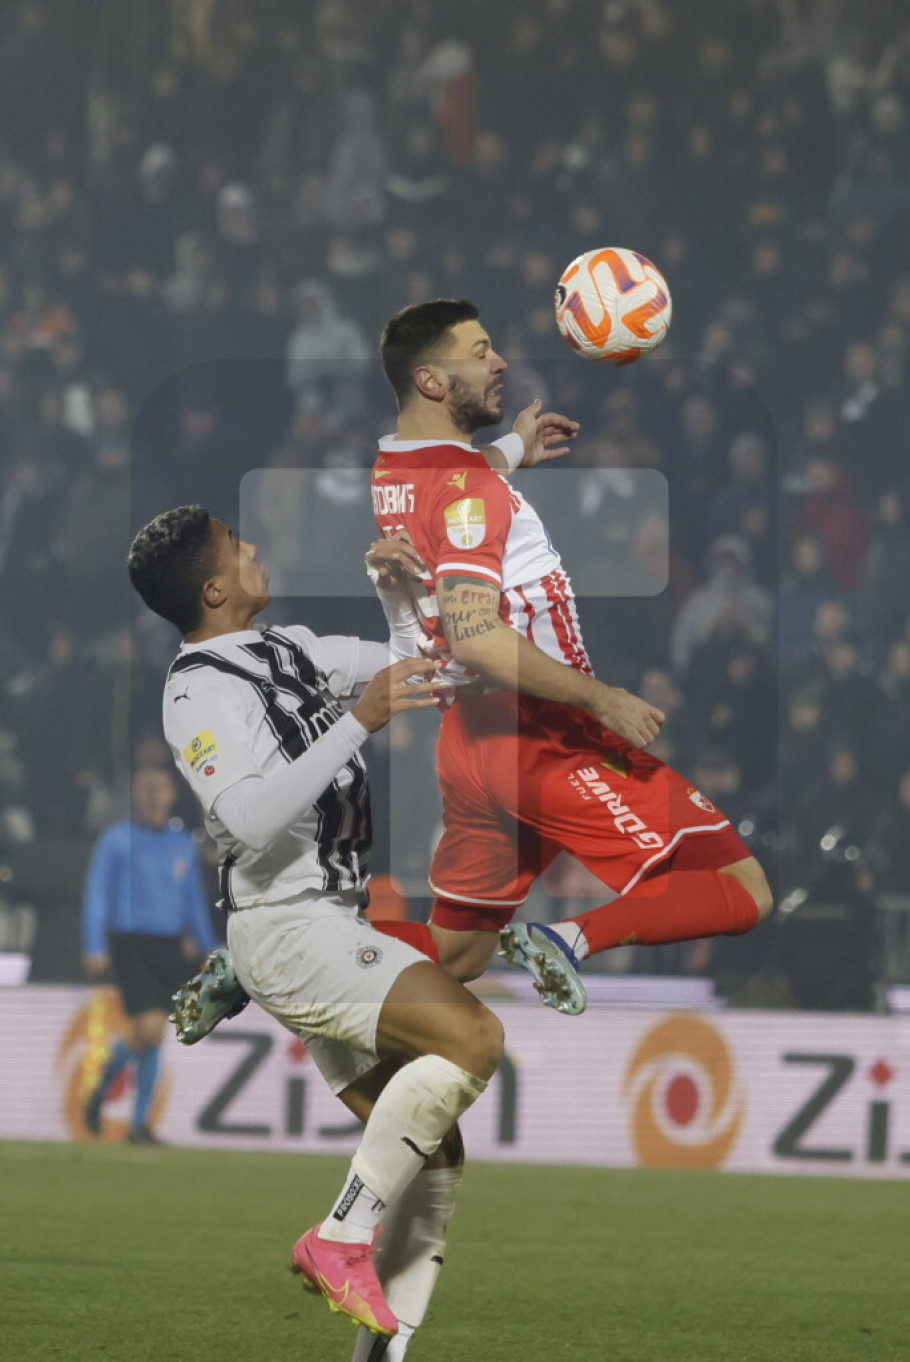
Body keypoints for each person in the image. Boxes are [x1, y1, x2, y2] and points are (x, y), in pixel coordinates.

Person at [127, 504, 503, 1354]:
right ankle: (338, 1236)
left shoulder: (290, 647)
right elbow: (246, 821)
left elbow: (416, 670)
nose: (255, 547)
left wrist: (399, 593)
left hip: (326, 920)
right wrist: (357, 721)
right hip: (287, 928)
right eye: (236, 546)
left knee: (435, 1154)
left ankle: (381, 1352)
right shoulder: (195, 690)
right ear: (213, 589)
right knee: (474, 1038)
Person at [369, 298, 774, 1011]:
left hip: (469, 742)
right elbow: (476, 634)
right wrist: (601, 698)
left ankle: (285, 947)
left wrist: (513, 449)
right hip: (541, 732)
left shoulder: (396, 468)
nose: (500, 363)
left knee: (458, 951)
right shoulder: (467, 488)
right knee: (742, 888)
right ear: (431, 380)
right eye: (480, 352)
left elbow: (455, 486)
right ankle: (566, 940)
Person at [81, 764, 216, 1144]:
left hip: (170, 945)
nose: (154, 796)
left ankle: (138, 1125)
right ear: (136, 794)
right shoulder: (116, 840)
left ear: (172, 795)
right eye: (146, 788)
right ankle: (103, 1092)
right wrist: (94, 944)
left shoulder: (182, 843)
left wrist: (208, 946)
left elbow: (192, 900)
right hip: (131, 942)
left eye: (160, 788)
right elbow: (97, 893)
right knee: (149, 1028)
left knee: (154, 1036)